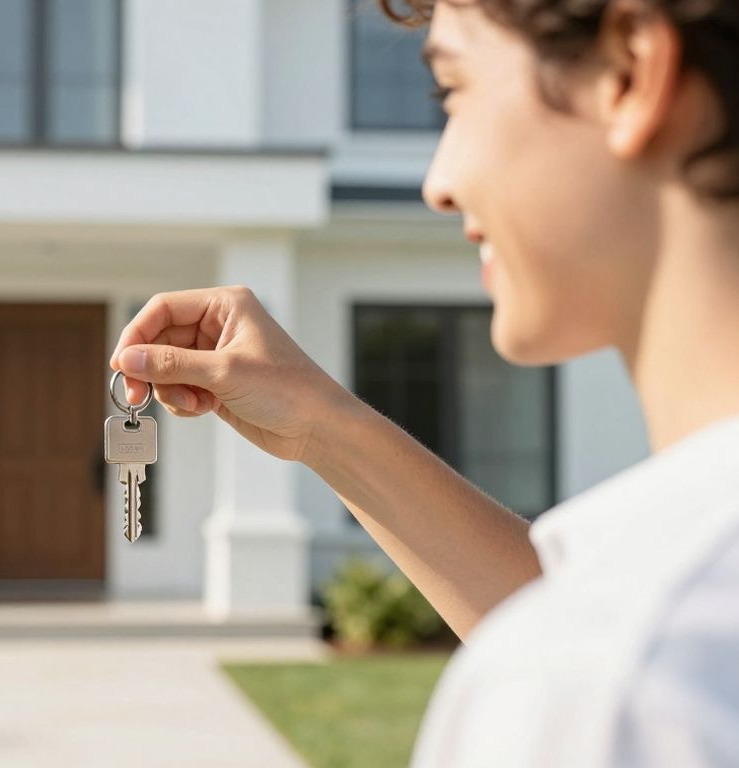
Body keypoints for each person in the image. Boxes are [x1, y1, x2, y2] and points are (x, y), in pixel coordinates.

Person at [111, 0, 739, 764]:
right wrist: (322, 425)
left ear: (629, 74)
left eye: (454, 92)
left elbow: (597, 643)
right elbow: (558, 610)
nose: (438, 183)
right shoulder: (649, 630)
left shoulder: (619, 685)